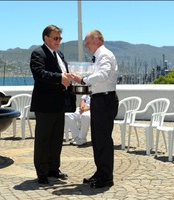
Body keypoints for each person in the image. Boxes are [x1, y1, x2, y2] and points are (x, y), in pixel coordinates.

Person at [69, 30, 119, 188]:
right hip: (100, 99)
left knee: (103, 140)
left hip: (104, 100)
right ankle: (100, 172)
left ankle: (106, 178)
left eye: (87, 41)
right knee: (97, 140)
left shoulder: (104, 55)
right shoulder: (99, 55)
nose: (85, 44)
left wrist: (83, 79)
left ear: (97, 40)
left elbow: (103, 75)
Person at [29, 25, 71, 184]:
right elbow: (39, 74)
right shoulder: (38, 53)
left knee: (56, 138)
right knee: (43, 139)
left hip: (59, 104)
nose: (58, 41)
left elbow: (62, 74)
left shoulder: (59, 54)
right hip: (45, 104)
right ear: (46, 38)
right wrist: (60, 77)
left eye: (60, 38)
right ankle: (42, 172)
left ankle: (54, 169)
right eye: (55, 38)